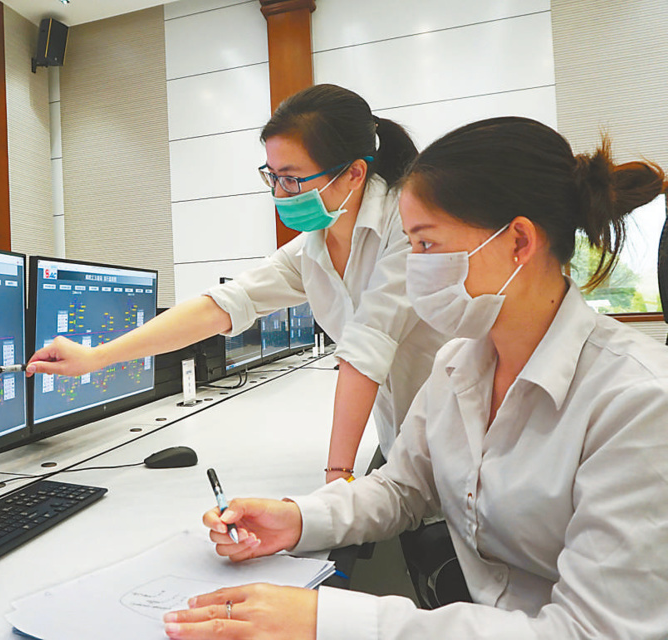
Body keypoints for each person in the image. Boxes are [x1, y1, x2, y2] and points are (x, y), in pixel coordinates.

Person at [162, 117, 668, 639]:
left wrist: (328, 621)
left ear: (518, 241)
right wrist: (297, 519)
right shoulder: (459, 364)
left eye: (425, 247)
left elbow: (593, 632)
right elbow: (404, 488)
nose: (413, 270)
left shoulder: (636, 402)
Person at [27, 84, 448, 482]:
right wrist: (98, 356)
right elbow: (226, 304)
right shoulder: (313, 248)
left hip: (459, 441)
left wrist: (337, 479)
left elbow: (367, 346)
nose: (281, 194)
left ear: (354, 174)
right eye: (273, 176)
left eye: (293, 179)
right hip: (407, 448)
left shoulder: (408, 228)